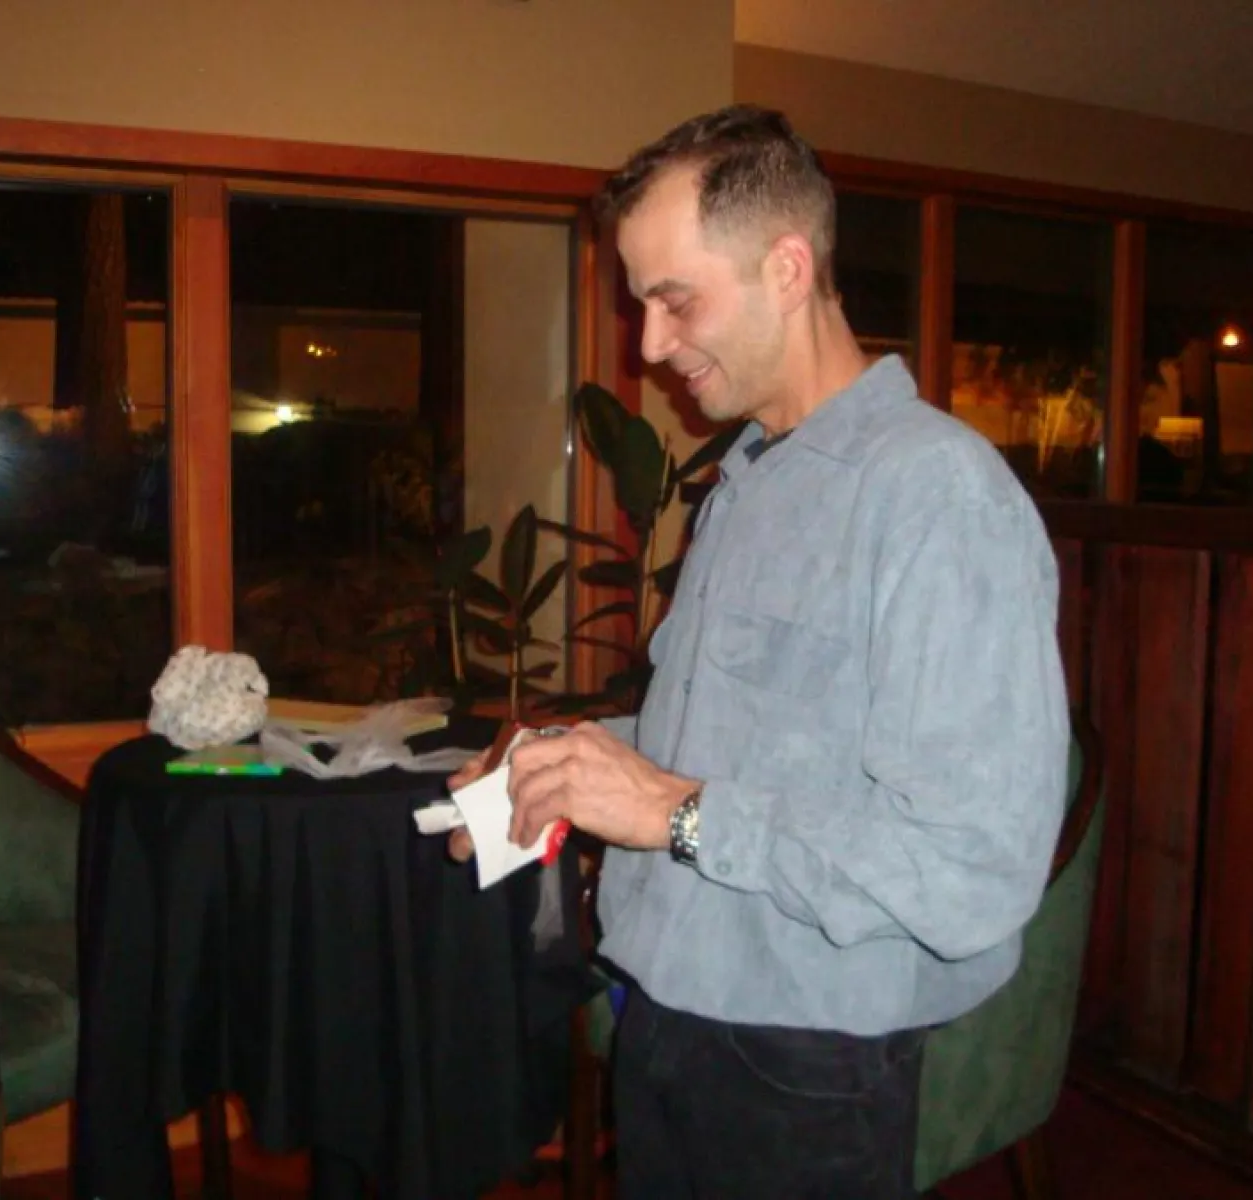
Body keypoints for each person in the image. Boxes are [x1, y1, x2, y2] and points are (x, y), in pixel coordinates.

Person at [449, 104, 1069, 1199]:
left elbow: (971, 865)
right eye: (642, 304)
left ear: (787, 267)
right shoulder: (747, 480)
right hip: (673, 1012)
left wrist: (674, 811)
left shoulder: (935, 495)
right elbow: (737, 739)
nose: (648, 346)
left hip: (802, 1066)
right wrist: (566, 761)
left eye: (672, 299)